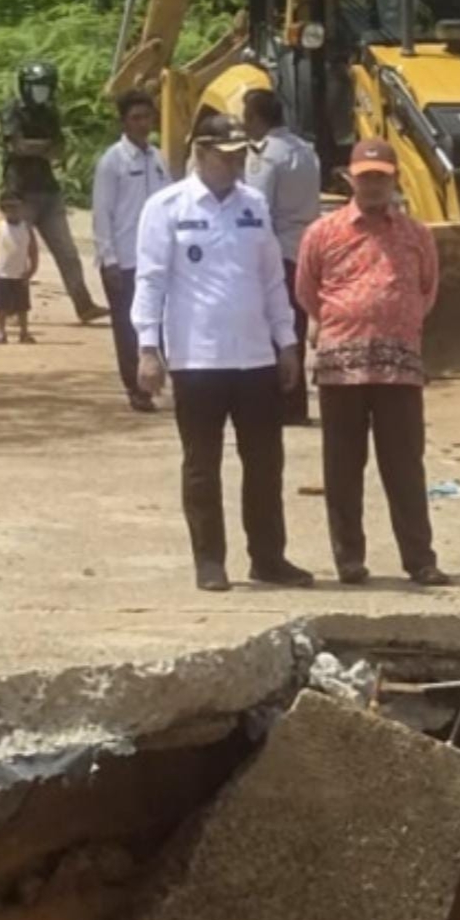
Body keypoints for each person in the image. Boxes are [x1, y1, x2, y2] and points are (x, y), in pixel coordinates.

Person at [132, 111, 313, 592]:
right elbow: (150, 281)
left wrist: (287, 342)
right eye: (226, 155)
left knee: (265, 462)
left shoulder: (254, 204)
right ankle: (210, 560)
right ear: (201, 152)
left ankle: (269, 557)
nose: (235, 164)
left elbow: (272, 279)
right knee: (201, 464)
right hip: (197, 358)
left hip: (254, 357)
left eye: (240, 156)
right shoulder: (167, 206)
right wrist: (148, 347)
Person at [295, 138, 449, 587]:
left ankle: (420, 559)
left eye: (381, 176)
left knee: (404, 466)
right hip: (341, 367)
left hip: (399, 367)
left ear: (394, 178)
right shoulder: (323, 233)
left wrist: (395, 323)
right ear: (350, 179)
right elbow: (307, 291)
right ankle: (349, 559)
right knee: (343, 468)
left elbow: (428, 289)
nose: (374, 185)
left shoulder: (416, 234)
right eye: (366, 177)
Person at [0, 61, 107, 324]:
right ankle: (13, 310)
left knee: (67, 253)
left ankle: (84, 305)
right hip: (20, 191)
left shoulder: (50, 113)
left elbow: (57, 149)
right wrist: (43, 148)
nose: (41, 93)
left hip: (48, 191)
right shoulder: (10, 110)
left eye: (45, 87)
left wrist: (36, 147)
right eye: (37, 87)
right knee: (17, 255)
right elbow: (16, 146)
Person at [242, 88, 321, 425]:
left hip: (279, 250)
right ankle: (295, 404)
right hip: (307, 247)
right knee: (296, 328)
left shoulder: (265, 156)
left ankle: (281, 402)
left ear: (256, 119)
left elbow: (257, 209)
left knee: (275, 328)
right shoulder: (306, 151)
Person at [92, 89, 168, 412]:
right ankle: (135, 388)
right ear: (124, 122)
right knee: (127, 326)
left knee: (159, 322)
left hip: (157, 257)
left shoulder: (159, 158)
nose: (142, 124)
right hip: (124, 259)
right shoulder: (113, 161)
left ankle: (154, 379)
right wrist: (108, 260)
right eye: (135, 118)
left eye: (147, 117)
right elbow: (101, 213)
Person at [0, 190, 38, 345]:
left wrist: (32, 269)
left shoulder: (27, 228)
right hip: (2, 273)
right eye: (8, 207)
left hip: (20, 274)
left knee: (23, 306)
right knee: (0, 306)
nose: (12, 211)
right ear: (2, 209)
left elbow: (33, 250)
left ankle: (24, 333)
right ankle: (1, 333)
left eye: (16, 207)